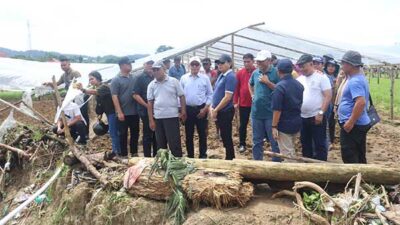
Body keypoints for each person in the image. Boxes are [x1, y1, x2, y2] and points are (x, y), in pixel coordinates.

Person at [296, 54, 332, 161]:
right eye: (300, 67)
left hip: (316, 116)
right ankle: (308, 166)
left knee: (319, 143)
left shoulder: (321, 77)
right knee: (305, 142)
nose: (302, 69)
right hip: (303, 117)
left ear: (311, 64)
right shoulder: (300, 79)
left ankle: (321, 167)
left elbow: (328, 95)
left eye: (304, 66)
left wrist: (321, 113)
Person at [147, 61, 186, 157]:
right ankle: (164, 163)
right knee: (161, 144)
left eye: (157, 69)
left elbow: (181, 96)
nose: (155, 72)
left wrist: (183, 111)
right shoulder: (152, 85)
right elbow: (150, 102)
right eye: (154, 70)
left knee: (174, 142)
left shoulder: (173, 81)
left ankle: (177, 162)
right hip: (159, 117)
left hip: (172, 116)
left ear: (163, 69)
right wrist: (151, 120)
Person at [338, 50, 370, 164]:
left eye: (343, 63)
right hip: (359, 123)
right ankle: (362, 177)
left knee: (349, 154)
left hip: (354, 125)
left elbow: (360, 102)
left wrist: (350, 122)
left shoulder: (355, 81)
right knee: (359, 152)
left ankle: (353, 178)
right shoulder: (358, 78)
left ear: (350, 65)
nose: (342, 66)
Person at [78, 71, 120, 157]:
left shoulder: (103, 87)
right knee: (113, 132)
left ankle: (117, 151)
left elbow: (95, 92)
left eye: (92, 79)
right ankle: (116, 149)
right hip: (108, 113)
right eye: (89, 80)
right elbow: (100, 103)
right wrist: (99, 113)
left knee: (113, 132)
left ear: (98, 78)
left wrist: (83, 89)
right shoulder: (100, 87)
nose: (91, 81)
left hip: (113, 112)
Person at [249, 50, 280, 161]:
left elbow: (281, 89)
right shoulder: (255, 73)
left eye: (261, 61)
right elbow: (250, 83)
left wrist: (268, 82)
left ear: (269, 61)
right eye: (258, 61)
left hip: (271, 113)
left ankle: (276, 165)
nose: (259, 64)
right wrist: (252, 94)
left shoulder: (276, 73)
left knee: (274, 141)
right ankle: (257, 163)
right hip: (256, 112)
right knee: (257, 140)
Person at [271, 59, 304, 161]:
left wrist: (274, 126)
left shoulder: (280, 87)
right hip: (296, 121)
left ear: (278, 71)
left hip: (284, 124)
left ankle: (292, 174)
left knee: (287, 154)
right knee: (291, 148)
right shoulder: (299, 85)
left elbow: (277, 110)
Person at [180, 57, 213, 158]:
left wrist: (205, 108)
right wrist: (182, 110)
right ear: (189, 66)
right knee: (188, 134)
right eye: (192, 64)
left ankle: (202, 155)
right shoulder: (184, 78)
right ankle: (190, 155)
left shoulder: (205, 78)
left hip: (201, 109)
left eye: (197, 64)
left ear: (200, 66)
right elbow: (180, 95)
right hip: (188, 109)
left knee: (202, 134)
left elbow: (210, 94)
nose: (194, 66)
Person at [111, 56, 140, 157]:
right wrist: (119, 112)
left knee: (135, 133)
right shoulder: (116, 80)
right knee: (123, 134)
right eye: (128, 64)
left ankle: (134, 152)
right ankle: (123, 154)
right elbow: (114, 96)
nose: (131, 65)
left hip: (134, 112)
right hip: (123, 112)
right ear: (122, 65)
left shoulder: (134, 78)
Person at [210, 54, 237, 160]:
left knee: (226, 135)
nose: (219, 65)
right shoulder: (222, 75)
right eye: (218, 63)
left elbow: (228, 97)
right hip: (219, 110)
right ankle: (228, 156)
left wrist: (216, 109)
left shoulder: (230, 77)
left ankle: (230, 157)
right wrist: (213, 107)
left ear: (229, 63)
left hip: (225, 111)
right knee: (224, 134)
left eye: (222, 63)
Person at [133, 60, 157, 157]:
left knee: (157, 133)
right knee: (147, 132)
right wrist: (147, 105)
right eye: (148, 64)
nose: (150, 66)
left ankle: (156, 154)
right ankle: (147, 156)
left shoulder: (156, 76)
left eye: (152, 64)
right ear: (144, 65)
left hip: (157, 110)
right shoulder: (139, 78)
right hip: (144, 110)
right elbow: (135, 94)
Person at [233, 53, 256, 153]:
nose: (246, 64)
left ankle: (257, 143)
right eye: (245, 62)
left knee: (256, 124)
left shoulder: (257, 72)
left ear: (253, 61)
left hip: (256, 103)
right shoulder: (239, 73)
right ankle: (242, 143)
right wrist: (235, 101)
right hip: (243, 103)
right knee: (243, 124)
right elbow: (236, 88)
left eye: (248, 61)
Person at [324, 59, 340, 147]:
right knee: (326, 122)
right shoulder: (324, 76)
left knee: (332, 122)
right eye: (329, 66)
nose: (331, 68)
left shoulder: (337, 77)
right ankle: (328, 141)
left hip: (334, 103)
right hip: (327, 103)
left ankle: (331, 140)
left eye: (333, 66)